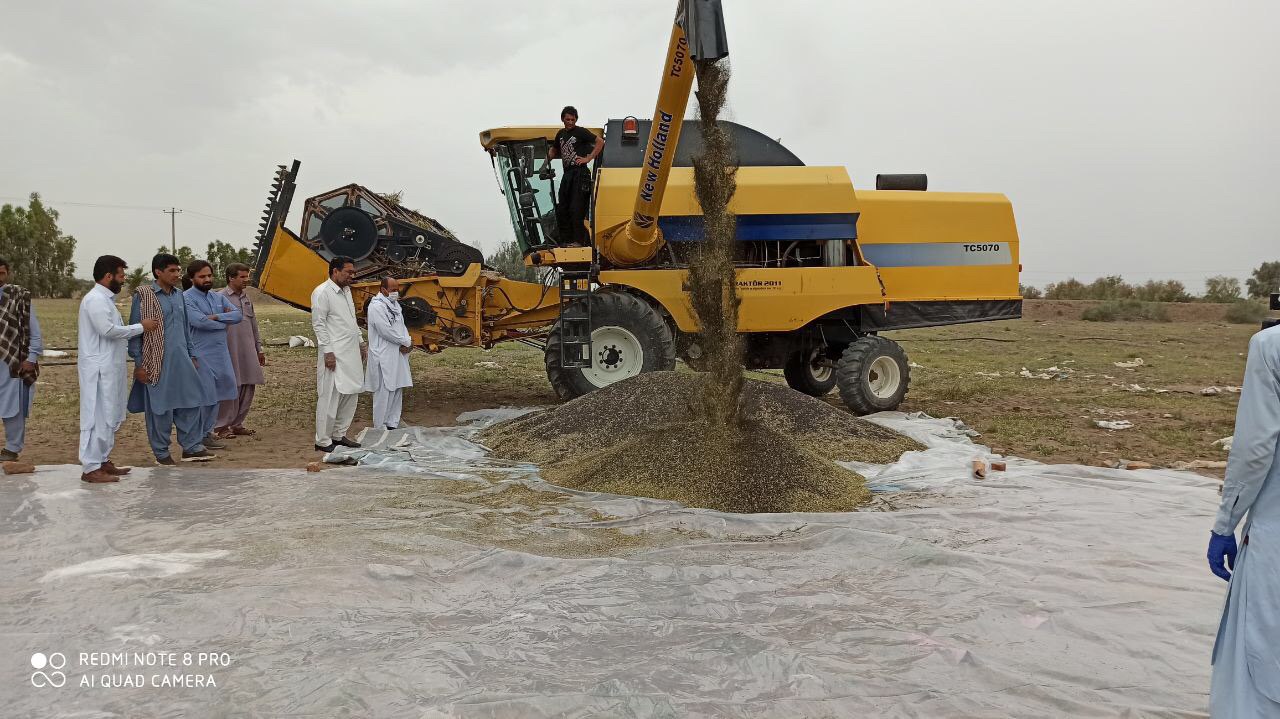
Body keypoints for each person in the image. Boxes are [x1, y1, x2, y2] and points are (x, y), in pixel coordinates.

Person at [1208, 325, 1280, 715]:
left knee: (1258, 672)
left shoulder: (1271, 346)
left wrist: (1225, 523)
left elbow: (1255, 449)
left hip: (1275, 535)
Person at [127, 253, 215, 464]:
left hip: (182, 359)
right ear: (158, 272)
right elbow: (136, 332)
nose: (177, 274)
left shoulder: (178, 296)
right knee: (160, 408)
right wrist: (139, 364)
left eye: (178, 270)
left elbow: (185, 329)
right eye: (172, 271)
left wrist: (191, 354)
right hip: (156, 361)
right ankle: (162, 453)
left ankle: (191, 448)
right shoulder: (144, 295)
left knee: (191, 402)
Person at [78, 256, 157, 483]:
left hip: (110, 367)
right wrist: (141, 327)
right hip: (99, 369)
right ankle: (91, 468)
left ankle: (102, 460)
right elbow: (107, 330)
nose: (123, 280)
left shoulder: (106, 300)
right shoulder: (95, 300)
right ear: (108, 276)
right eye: (121, 275)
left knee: (110, 413)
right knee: (98, 416)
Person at [183, 260, 241, 449]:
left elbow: (238, 315)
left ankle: (208, 433)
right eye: (202, 276)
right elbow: (199, 322)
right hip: (201, 354)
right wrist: (225, 321)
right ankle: (197, 436)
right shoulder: (186, 298)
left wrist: (217, 317)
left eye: (209, 275)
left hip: (220, 353)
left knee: (218, 394)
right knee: (205, 396)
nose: (207, 279)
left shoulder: (217, 297)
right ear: (192, 278)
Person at [311, 256, 365, 452]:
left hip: (350, 352)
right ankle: (323, 441)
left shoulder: (347, 291)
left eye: (353, 272)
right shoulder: (322, 292)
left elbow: (352, 320)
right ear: (335, 271)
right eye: (348, 272)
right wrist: (327, 352)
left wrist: (360, 342)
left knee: (350, 393)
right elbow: (319, 324)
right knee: (330, 396)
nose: (353, 275)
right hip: (333, 353)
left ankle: (339, 434)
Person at [215, 263, 265, 438]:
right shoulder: (218, 298)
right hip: (228, 350)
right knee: (231, 386)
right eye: (242, 277)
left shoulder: (246, 298)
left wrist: (259, 348)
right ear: (231, 278)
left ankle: (237, 423)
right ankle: (221, 426)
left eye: (247, 276)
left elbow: (253, 325)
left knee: (248, 385)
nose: (246, 280)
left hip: (248, 350)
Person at [0, 258, 43, 463]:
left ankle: (12, 447)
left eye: (1, 273)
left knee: (12, 405)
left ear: (7, 273)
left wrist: (32, 357)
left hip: (11, 361)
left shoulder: (19, 296)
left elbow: (34, 331)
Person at [548, 105, 602, 246]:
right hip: (567, 174)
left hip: (580, 173)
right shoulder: (560, 134)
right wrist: (545, 162)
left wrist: (589, 158)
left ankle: (578, 241)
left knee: (576, 208)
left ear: (576, 119)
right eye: (568, 119)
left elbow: (600, 142)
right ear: (563, 119)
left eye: (573, 119)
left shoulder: (581, 132)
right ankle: (567, 240)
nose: (570, 122)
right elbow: (554, 150)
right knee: (562, 208)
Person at [363, 277, 413, 430]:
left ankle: (392, 422)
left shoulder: (395, 305)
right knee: (384, 390)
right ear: (383, 289)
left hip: (397, 353)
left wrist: (408, 340)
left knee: (398, 387)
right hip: (383, 353)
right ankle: (380, 425)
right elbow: (385, 331)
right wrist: (404, 342)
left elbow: (401, 326)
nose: (395, 292)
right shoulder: (376, 306)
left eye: (397, 289)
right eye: (392, 290)